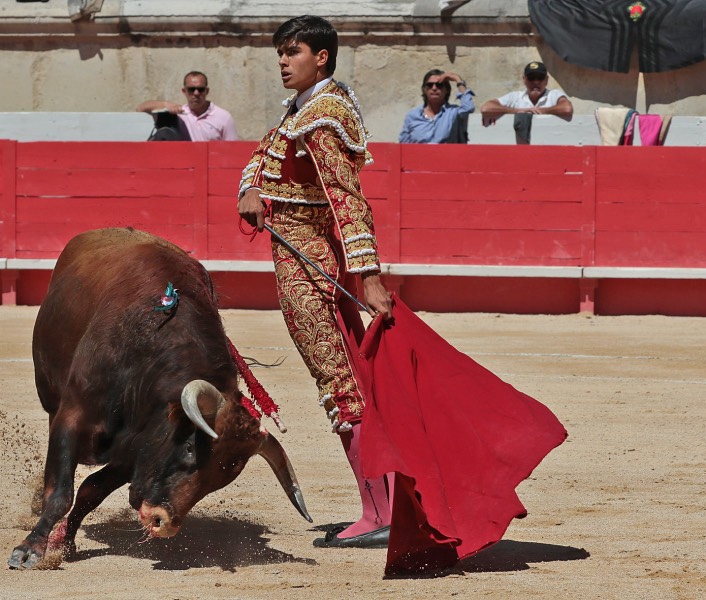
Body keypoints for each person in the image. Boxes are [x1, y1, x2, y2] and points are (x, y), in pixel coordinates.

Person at [238, 15, 394, 549]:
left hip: (311, 266)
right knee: (345, 380)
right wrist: (252, 189)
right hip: (302, 258)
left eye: (293, 52)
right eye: (280, 53)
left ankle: (379, 512)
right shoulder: (302, 109)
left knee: (340, 384)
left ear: (321, 57)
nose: (283, 62)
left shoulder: (322, 118)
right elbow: (263, 155)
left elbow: (348, 200)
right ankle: (382, 506)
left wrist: (369, 276)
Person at [136, 71, 239, 141]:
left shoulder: (223, 117)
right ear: (184, 91)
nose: (196, 93)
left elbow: (233, 150)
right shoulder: (180, 114)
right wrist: (165, 104)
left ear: (207, 91)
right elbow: (140, 108)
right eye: (191, 89)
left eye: (200, 89)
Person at [480, 61, 574, 127]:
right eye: (531, 78)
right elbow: (486, 109)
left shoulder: (554, 95)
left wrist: (543, 111)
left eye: (540, 78)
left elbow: (567, 109)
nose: (536, 82)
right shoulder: (515, 97)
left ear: (546, 80)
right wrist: (516, 111)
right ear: (524, 79)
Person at [398, 69, 475, 144]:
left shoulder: (452, 113)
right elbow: (403, 145)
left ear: (447, 90)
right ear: (424, 89)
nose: (434, 88)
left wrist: (457, 80)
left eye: (439, 85)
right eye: (430, 85)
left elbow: (468, 107)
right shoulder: (412, 116)